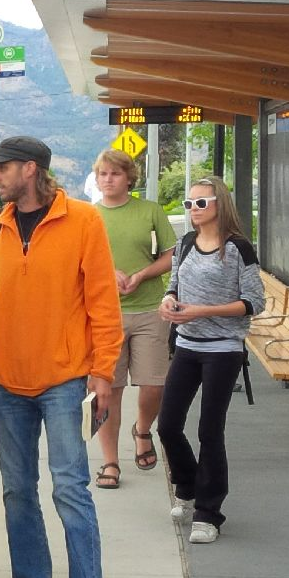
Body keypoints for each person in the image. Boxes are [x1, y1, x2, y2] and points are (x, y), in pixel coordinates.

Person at [0, 136, 122, 578]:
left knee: (70, 488)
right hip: (8, 379)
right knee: (16, 490)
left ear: (31, 170)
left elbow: (102, 302)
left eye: (3, 168)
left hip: (64, 378)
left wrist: (104, 371)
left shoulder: (83, 221)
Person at [157, 176, 265, 546]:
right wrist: (168, 301)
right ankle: (186, 487)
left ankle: (209, 512)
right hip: (187, 344)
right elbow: (174, 283)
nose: (193, 210)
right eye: (188, 204)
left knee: (209, 430)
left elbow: (255, 301)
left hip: (223, 348)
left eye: (200, 203)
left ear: (220, 203)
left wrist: (204, 311)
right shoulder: (185, 243)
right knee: (168, 424)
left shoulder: (238, 248)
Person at [90, 150, 176, 490]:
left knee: (154, 383)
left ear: (129, 178)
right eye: (102, 174)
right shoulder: (89, 216)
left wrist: (141, 275)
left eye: (114, 173)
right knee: (108, 389)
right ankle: (110, 462)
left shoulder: (150, 211)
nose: (108, 179)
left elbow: (171, 255)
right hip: (104, 314)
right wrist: (107, 274)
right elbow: (79, 261)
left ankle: (142, 430)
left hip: (149, 307)